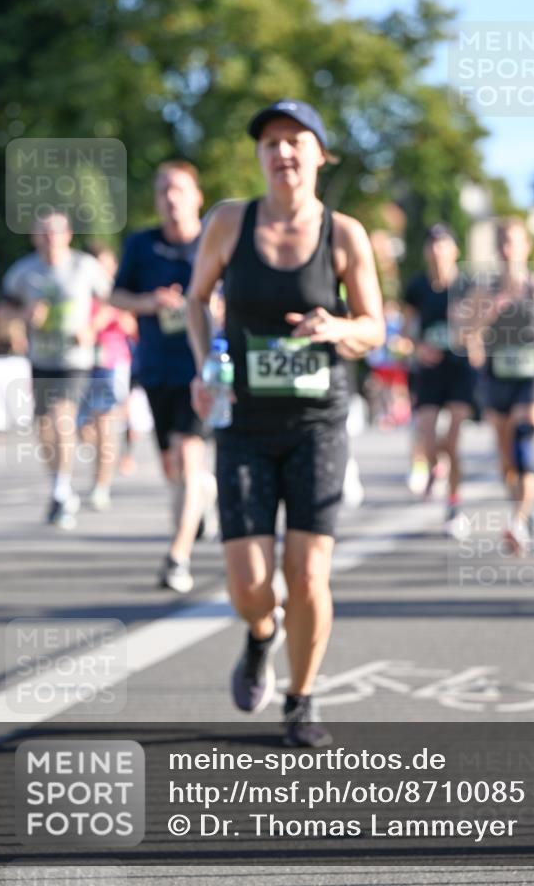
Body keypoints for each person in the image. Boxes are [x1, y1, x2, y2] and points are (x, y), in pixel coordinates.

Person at [187, 100, 385, 747]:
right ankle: (260, 633)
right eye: (270, 142)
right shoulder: (228, 222)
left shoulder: (344, 234)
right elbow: (196, 300)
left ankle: (300, 698)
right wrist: (205, 365)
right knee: (249, 585)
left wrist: (338, 326)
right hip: (242, 420)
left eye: (296, 141)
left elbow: (375, 328)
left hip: (316, 423)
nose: (282, 152)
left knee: (306, 574)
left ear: (320, 155)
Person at [111, 161, 217, 593]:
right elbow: (116, 296)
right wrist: (149, 302)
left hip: (201, 369)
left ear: (197, 197)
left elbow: (234, 294)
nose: (171, 199)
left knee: (188, 455)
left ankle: (178, 557)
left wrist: (210, 306)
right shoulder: (141, 244)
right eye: (163, 191)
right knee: (172, 468)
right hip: (156, 368)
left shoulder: (213, 240)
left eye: (179, 190)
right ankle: (201, 496)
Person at [1, 211, 111, 529]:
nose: (50, 239)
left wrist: (92, 327)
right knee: (45, 426)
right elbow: (4, 308)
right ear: (35, 237)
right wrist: (24, 315)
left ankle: (62, 492)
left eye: (56, 232)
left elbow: (110, 302)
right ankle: (59, 484)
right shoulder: (24, 271)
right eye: (44, 233)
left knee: (62, 417)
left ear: (68, 235)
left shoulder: (84, 266)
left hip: (76, 359)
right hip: (41, 359)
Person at [460, 218, 534, 554]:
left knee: (523, 443)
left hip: (531, 376)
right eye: (501, 242)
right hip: (497, 376)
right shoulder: (483, 290)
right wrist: (488, 314)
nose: (506, 249)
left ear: (526, 247)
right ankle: (523, 511)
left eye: (513, 241)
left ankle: (517, 522)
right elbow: (465, 335)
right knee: (506, 460)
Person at [403, 224, 476, 536]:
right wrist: (418, 348)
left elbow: (483, 325)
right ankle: (435, 466)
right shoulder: (417, 286)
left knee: (453, 442)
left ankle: (454, 506)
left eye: (443, 244)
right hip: (430, 372)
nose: (437, 251)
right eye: (432, 245)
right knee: (429, 440)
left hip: (460, 370)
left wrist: (467, 328)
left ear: (455, 251)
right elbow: (405, 332)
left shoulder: (467, 285)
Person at [78, 243, 137, 511]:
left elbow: (132, 327)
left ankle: (101, 485)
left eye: (108, 265)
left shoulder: (118, 293)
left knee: (105, 424)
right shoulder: (80, 290)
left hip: (111, 362)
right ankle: (105, 458)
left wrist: (109, 315)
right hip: (80, 363)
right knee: (79, 427)